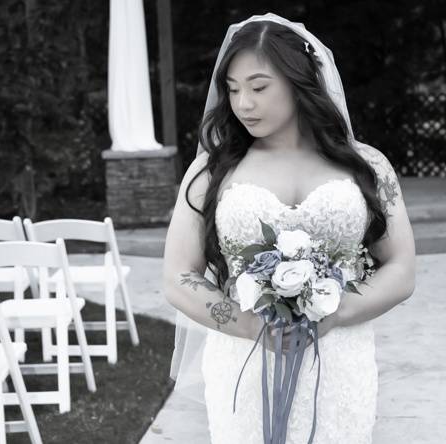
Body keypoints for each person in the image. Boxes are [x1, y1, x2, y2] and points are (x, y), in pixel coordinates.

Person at [163, 12, 416, 443]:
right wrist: (251, 326)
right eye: (233, 89)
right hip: (243, 358)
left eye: (259, 87)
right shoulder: (210, 170)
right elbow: (178, 277)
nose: (244, 103)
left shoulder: (368, 166)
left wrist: (335, 314)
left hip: (338, 359)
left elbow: (402, 269)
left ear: (300, 84)